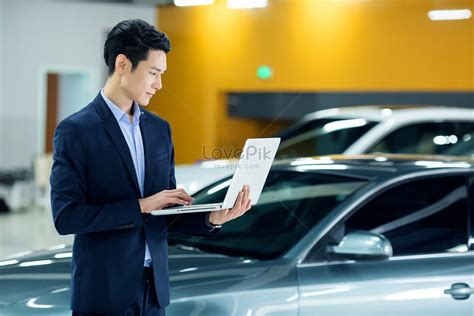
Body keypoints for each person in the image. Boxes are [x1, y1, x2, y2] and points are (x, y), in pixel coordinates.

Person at [50, 19, 251, 315]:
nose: (160, 84)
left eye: (162, 74)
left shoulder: (159, 130)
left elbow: (165, 212)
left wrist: (213, 216)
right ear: (122, 64)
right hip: (103, 295)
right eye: (153, 73)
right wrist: (141, 205)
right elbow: (67, 218)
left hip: (154, 295)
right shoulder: (76, 131)